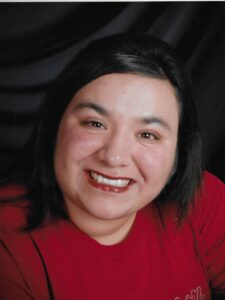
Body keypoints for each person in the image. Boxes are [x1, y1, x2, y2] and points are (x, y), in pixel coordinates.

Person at [0, 33, 225, 300]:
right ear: (54, 127)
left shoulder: (203, 198)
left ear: (178, 155)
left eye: (147, 135)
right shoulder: (7, 243)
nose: (114, 157)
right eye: (95, 123)